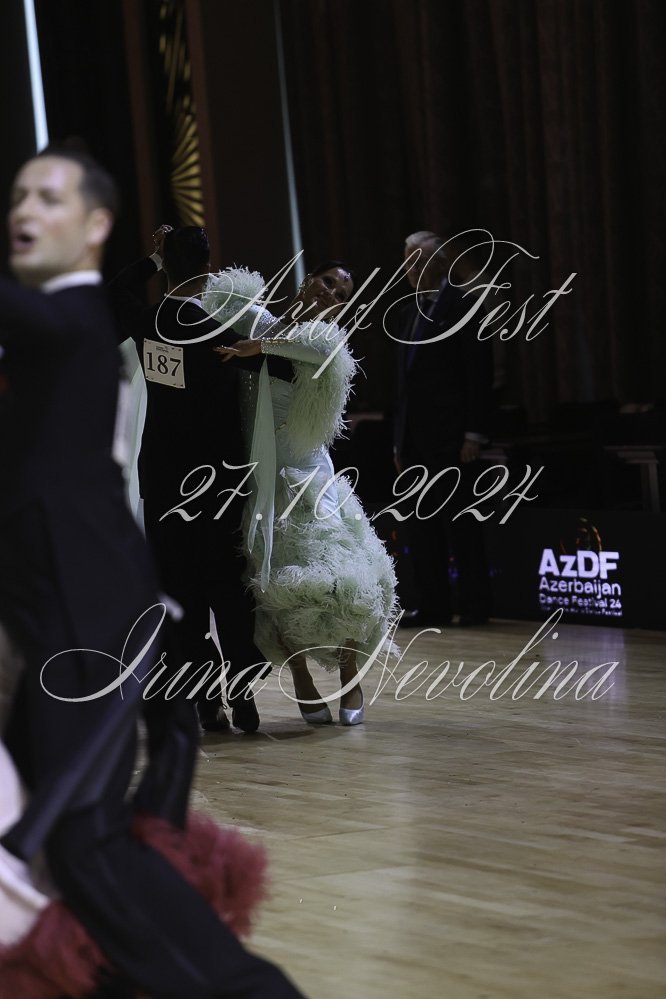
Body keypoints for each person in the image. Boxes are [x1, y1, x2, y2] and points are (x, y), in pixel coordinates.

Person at [0, 145, 305, 998]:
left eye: (49, 197)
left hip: (96, 589)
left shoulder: (83, 317)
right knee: (63, 840)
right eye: (19, 196)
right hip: (92, 575)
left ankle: (246, 987)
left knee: (83, 841)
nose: (25, 210)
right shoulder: (148, 321)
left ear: (97, 226)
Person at [109, 225, 294, 734]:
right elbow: (287, 369)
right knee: (226, 586)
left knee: (179, 590)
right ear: (210, 268)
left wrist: (151, 259)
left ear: (166, 266)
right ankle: (243, 692)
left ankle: (203, 697)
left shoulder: (147, 321)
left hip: (164, 478)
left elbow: (116, 290)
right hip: (218, 478)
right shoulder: (219, 332)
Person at [203, 261, 400, 725]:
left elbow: (315, 350)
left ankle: (350, 678)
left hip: (308, 476)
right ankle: (301, 679)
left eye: (341, 295)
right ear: (308, 279)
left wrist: (259, 346)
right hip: (261, 477)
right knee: (274, 582)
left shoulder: (326, 341)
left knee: (339, 576)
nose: (331, 293)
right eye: (327, 282)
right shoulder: (261, 321)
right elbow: (217, 304)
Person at [392, 230, 494, 627]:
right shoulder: (407, 311)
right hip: (414, 440)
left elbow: (478, 373)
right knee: (420, 527)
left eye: (416, 260)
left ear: (439, 263)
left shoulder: (464, 305)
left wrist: (474, 433)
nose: (409, 268)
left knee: (461, 524)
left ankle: (474, 604)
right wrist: (398, 442)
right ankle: (432, 604)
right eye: (406, 260)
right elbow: (403, 386)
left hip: (452, 438)